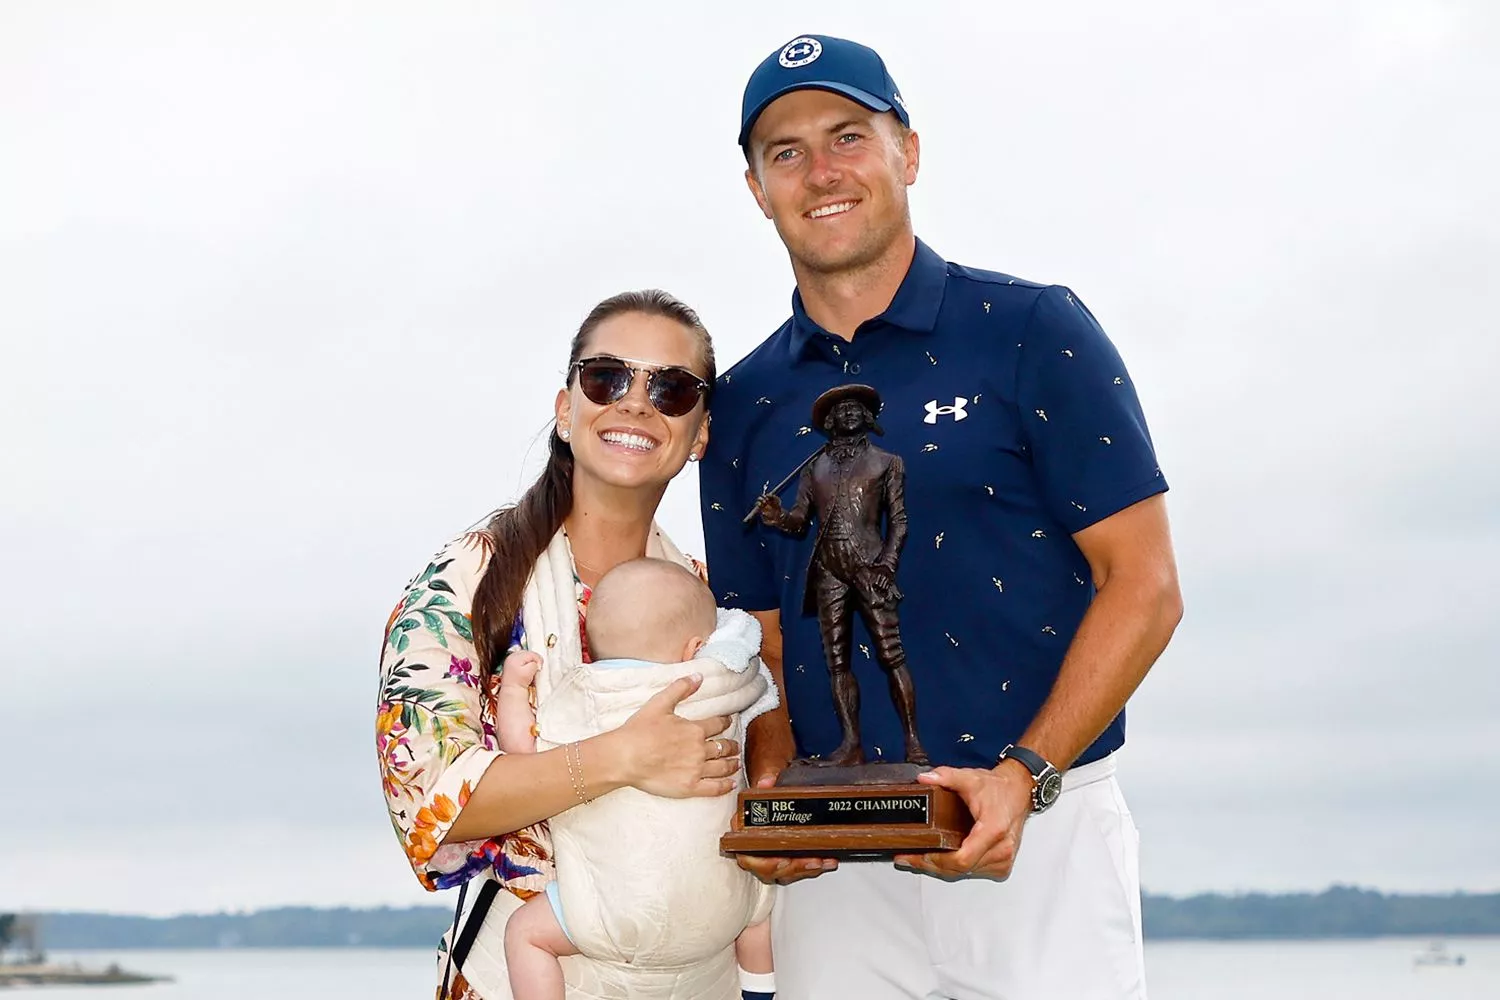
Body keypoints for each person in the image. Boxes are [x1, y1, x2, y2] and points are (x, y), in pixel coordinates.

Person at [699, 34, 1185, 999]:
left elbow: (1147, 585)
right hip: (838, 874)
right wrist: (771, 794)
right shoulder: (744, 400)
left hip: (1041, 830)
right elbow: (757, 638)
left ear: (907, 153)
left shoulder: (1033, 330)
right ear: (756, 188)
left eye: (848, 136)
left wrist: (1024, 776)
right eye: (785, 152)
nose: (820, 172)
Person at [377, 290, 762, 1000]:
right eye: (607, 378)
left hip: (700, 976)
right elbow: (428, 798)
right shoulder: (468, 580)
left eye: (671, 389)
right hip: (519, 969)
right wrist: (621, 758)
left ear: (701, 433)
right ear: (566, 409)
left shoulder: (712, 603)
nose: (637, 403)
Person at [497, 557, 777, 1000]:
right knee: (761, 902)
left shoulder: (587, 697)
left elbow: (522, 752)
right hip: (723, 910)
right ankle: (760, 990)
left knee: (524, 935)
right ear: (695, 648)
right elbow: (766, 696)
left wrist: (513, 690)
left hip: (616, 914)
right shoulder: (727, 685)